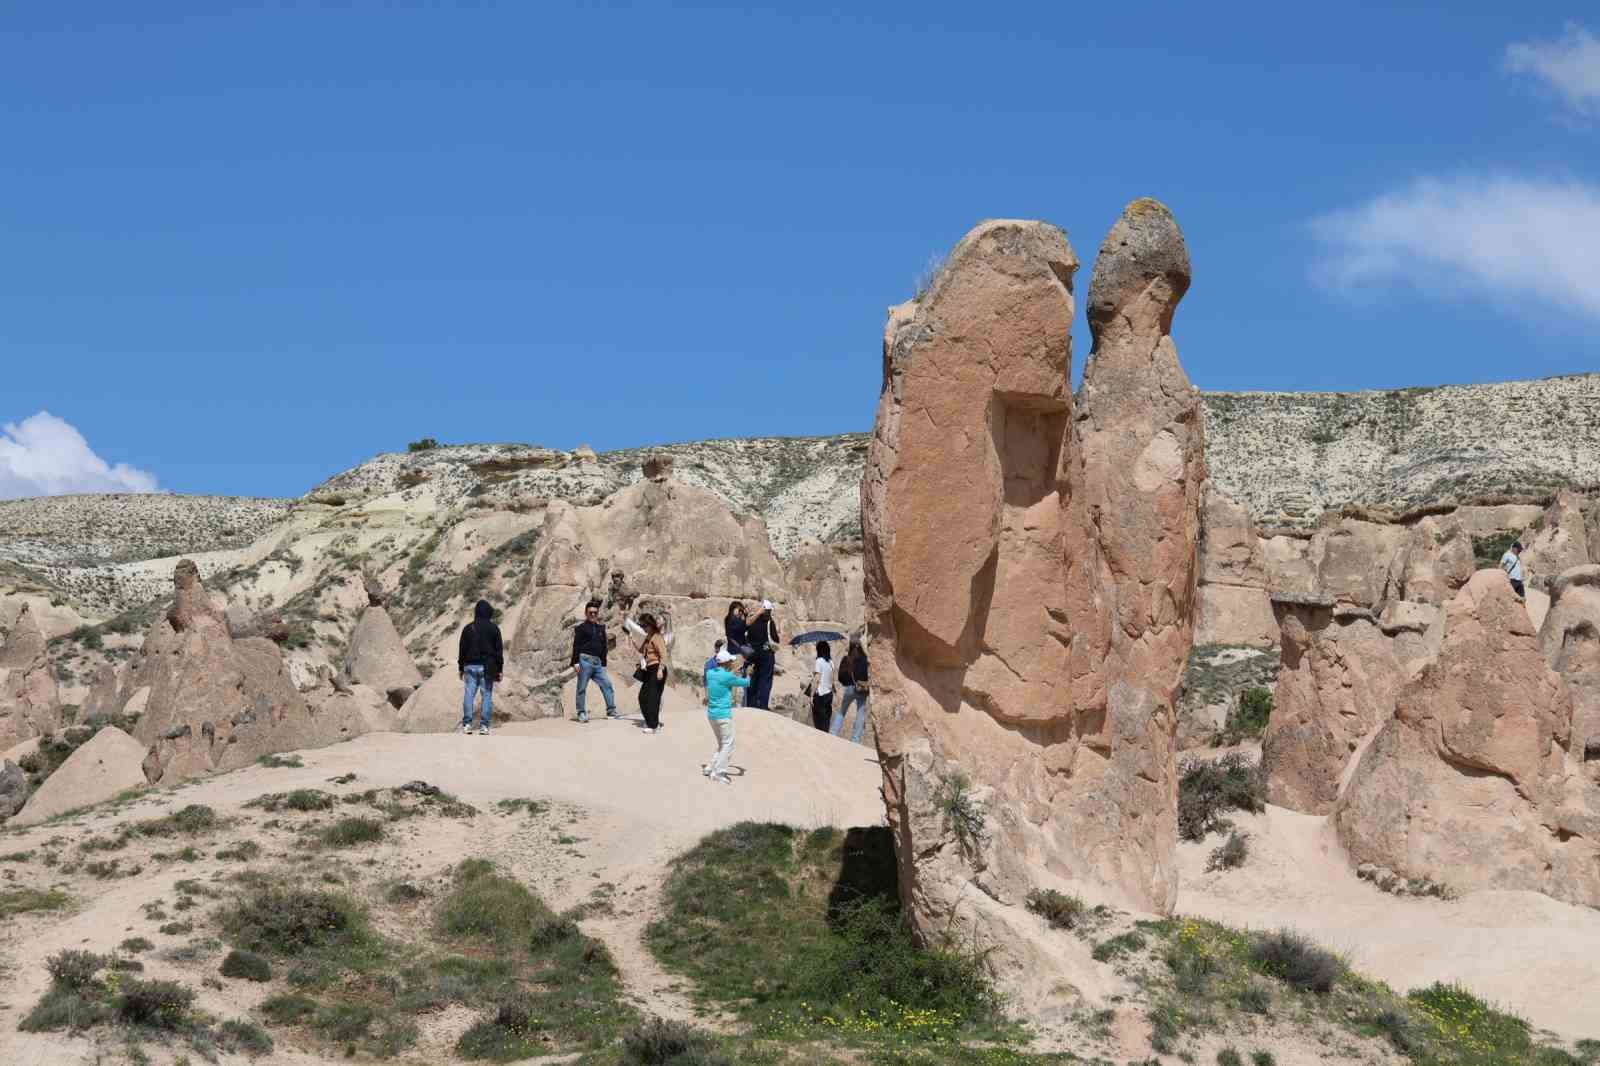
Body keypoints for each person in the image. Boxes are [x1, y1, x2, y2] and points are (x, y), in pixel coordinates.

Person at [568, 598, 620, 723]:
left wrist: (604, 664)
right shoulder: (580, 628)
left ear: (597, 614)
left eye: (595, 612)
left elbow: (604, 646)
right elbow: (576, 645)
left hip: (598, 663)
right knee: (581, 688)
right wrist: (575, 662)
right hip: (584, 661)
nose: (593, 614)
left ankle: (611, 711)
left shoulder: (601, 628)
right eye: (590, 612)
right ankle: (581, 713)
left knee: (607, 685)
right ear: (586, 613)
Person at [702, 647, 750, 784]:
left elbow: (723, 676)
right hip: (723, 715)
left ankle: (710, 767)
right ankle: (718, 772)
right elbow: (746, 683)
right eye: (730, 661)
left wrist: (732, 672)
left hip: (712, 715)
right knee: (729, 744)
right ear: (726, 663)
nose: (732, 663)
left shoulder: (710, 673)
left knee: (722, 744)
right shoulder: (727, 676)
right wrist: (748, 674)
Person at [458, 599, 503, 735]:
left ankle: (467, 724)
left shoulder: (468, 628)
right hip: (487, 667)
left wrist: (460, 667)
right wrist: (500, 669)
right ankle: (484, 726)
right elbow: (498, 651)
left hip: (470, 666)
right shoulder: (494, 628)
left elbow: (462, 649)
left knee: (469, 695)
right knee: (487, 695)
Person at [624, 611, 669, 734]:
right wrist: (631, 638)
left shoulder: (657, 637)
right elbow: (641, 650)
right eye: (641, 625)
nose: (643, 627)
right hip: (649, 670)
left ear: (650, 624)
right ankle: (650, 721)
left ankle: (653, 726)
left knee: (653, 697)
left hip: (657, 668)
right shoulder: (648, 637)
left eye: (644, 625)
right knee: (643, 696)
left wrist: (660, 669)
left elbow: (664, 654)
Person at [831, 639, 871, 744]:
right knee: (860, 714)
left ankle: (833, 732)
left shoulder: (847, 658)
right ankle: (855, 739)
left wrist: (847, 682)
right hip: (861, 689)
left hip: (849, 688)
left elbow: (840, 676)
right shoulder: (865, 659)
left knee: (842, 711)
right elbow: (868, 675)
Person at [745, 599, 779, 709]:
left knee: (754, 679)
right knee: (765, 681)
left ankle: (751, 704)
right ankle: (763, 706)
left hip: (753, 654)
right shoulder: (770, 622)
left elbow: (747, 634)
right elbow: (775, 639)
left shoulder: (753, 621)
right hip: (766, 655)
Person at [809, 640, 835, 731]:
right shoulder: (831, 662)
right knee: (826, 721)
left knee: (818, 723)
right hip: (829, 694)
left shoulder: (819, 661)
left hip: (820, 695)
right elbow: (832, 679)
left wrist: (811, 695)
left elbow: (817, 679)